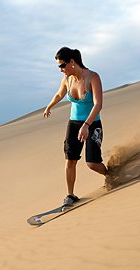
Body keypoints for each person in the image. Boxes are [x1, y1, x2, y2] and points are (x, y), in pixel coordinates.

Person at [43, 47, 108, 207]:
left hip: (92, 123)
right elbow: (59, 94)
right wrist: (49, 106)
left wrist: (86, 125)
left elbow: (98, 104)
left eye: (62, 66)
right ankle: (70, 195)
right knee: (70, 161)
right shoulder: (67, 79)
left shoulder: (93, 77)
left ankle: (111, 174)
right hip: (73, 123)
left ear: (72, 62)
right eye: (59, 66)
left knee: (92, 163)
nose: (61, 70)